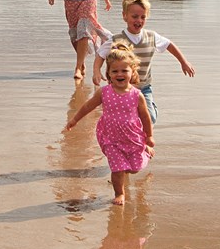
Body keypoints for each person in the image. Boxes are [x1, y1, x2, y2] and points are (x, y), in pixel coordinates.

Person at [64, 43, 154, 205]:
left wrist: (149, 137)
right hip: (110, 137)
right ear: (109, 74)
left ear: (132, 72)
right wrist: (75, 119)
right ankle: (119, 193)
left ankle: (145, 152)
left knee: (134, 168)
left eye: (124, 70)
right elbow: (87, 106)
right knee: (117, 168)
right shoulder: (104, 92)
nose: (119, 74)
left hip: (132, 137)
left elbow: (146, 117)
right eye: (115, 71)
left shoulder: (137, 95)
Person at [91, 0, 195, 124]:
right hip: (119, 87)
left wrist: (183, 62)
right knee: (120, 118)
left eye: (143, 17)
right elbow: (100, 54)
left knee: (149, 118)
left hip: (143, 87)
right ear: (125, 16)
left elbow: (169, 45)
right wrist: (96, 71)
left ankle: (151, 111)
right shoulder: (116, 39)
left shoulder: (151, 36)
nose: (139, 20)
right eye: (134, 16)